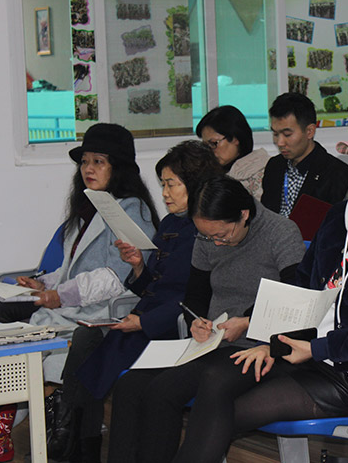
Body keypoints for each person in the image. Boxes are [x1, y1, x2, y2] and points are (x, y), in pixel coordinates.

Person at [111, 122, 348, 463]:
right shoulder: (341, 217)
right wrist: (270, 342)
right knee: (217, 381)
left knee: (221, 407)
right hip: (308, 354)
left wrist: (314, 348)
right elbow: (301, 289)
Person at [0, 123, 159, 463]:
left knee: (20, 328)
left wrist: (57, 296)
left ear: (119, 168)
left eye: (98, 161)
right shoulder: (87, 208)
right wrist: (43, 284)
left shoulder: (131, 211)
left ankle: (10, 421)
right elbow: (69, 269)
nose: (88, 169)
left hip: (103, 310)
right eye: (85, 161)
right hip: (71, 306)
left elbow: (114, 278)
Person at [45, 141, 224, 462]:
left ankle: (75, 440)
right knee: (89, 344)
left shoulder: (207, 229)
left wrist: (143, 322)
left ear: (195, 184)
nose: (164, 193)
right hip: (147, 319)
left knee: (109, 365)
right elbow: (152, 286)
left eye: (171, 184)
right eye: (163, 184)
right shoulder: (169, 223)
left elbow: (195, 298)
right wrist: (138, 265)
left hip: (171, 327)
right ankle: (77, 440)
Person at [107, 175, 307, 462]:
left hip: (257, 345)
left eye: (222, 235)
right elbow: (196, 292)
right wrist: (196, 320)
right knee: (130, 385)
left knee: (167, 391)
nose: (216, 243)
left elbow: (295, 298)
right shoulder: (206, 235)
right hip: (214, 342)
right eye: (208, 236)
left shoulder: (280, 232)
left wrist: (247, 322)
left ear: (244, 215)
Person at [261, 92, 348, 217]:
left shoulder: (338, 174)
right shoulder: (274, 166)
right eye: (276, 134)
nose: (280, 142)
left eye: (287, 134)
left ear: (310, 131)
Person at [196, 105, 269, 199]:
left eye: (214, 143)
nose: (209, 151)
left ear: (235, 139)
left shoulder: (263, 172)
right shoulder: (212, 174)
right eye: (206, 146)